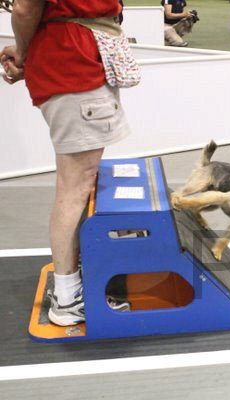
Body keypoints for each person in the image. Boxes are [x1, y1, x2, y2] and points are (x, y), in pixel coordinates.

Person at [1, 0, 132, 326]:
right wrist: (26, 52)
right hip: (74, 66)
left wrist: (27, 52)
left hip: (75, 59)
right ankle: (68, 298)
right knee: (75, 187)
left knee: (80, 183)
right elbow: (24, 9)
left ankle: (71, 283)